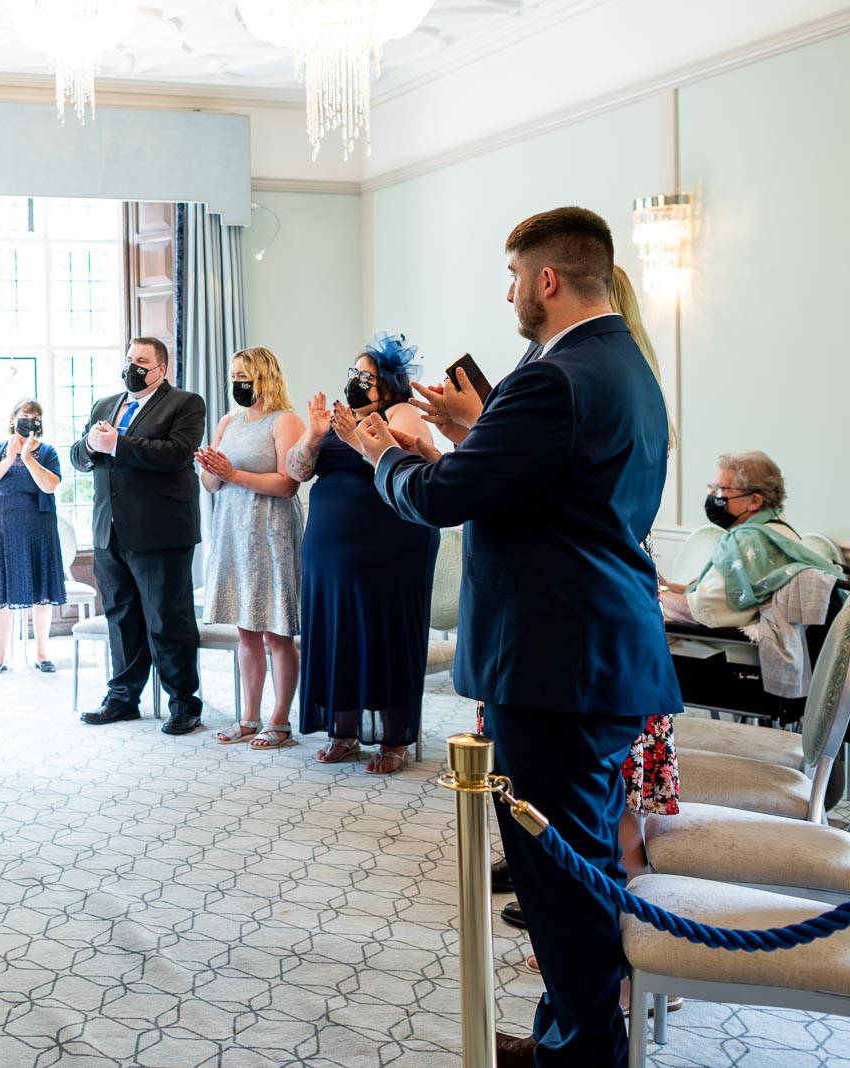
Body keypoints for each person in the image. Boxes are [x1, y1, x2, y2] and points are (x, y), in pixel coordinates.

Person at [354, 206, 683, 1068]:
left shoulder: (556, 374)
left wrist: (386, 451)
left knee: (559, 875)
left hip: (557, 661)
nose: (508, 295)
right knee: (571, 864)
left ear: (546, 279)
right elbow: (554, 491)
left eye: (513, 278)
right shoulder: (627, 367)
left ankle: (581, 1053)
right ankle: (565, 1034)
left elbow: (439, 499)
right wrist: (473, 432)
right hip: (590, 649)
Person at [285, 333, 438, 774]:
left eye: (366, 376)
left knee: (383, 634)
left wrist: (354, 439)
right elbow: (297, 471)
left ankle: (393, 740)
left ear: (388, 384)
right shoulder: (339, 418)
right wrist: (314, 436)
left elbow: (407, 464)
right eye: (353, 374)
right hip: (328, 553)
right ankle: (344, 731)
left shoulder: (402, 412)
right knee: (336, 635)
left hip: (389, 548)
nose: (356, 382)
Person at [70, 337, 207, 735]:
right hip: (109, 529)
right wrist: (91, 445)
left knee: (168, 619)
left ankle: (183, 702)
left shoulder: (185, 403)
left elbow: (177, 453)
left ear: (160, 369)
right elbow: (80, 458)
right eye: (129, 359)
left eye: (142, 361)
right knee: (121, 618)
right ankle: (123, 698)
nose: (132, 366)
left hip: (160, 530)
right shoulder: (105, 406)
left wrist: (120, 444)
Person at [197, 347, 304, 750]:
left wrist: (233, 473)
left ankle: (279, 721)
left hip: (271, 531)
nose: (237, 383)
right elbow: (211, 486)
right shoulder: (229, 420)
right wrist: (209, 469)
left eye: (244, 375)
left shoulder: (286, 421)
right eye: (233, 376)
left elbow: (288, 483)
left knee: (278, 633)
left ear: (264, 378)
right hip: (233, 530)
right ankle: (248, 716)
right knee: (246, 630)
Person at [660, 451, 832, 628]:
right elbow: (718, 594)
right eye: (711, 488)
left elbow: (700, 611)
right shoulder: (781, 532)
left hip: (721, 649)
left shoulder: (746, 542)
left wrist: (651, 594)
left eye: (720, 489)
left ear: (754, 501)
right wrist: (667, 587)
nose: (712, 495)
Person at [0, 397, 66, 674]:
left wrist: (27, 458)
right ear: (13, 418)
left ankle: (42, 654)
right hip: (5, 527)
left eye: (36, 416)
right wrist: (9, 459)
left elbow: (49, 486)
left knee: (42, 593)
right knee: (2, 593)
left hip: (40, 528)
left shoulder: (48, 451)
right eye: (25, 415)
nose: (31, 420)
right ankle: (0, 656)